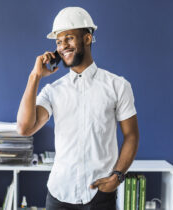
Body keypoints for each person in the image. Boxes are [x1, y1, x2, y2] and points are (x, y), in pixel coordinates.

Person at [17, 7, 139, 210]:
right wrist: (35, 77)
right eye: (58, 42)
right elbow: (24, 128)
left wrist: (117, 177)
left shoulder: (118, 86)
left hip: (100, 195)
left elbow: (132, 135)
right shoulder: (53, 91)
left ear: (87, 39)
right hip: (59, 195)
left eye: (69, 38)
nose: (63, 46)